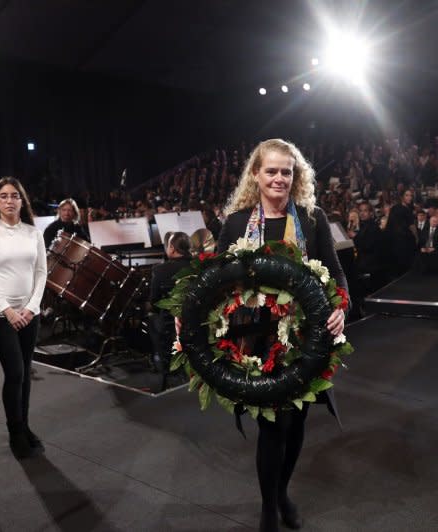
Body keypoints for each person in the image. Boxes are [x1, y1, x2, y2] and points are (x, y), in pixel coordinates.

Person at [217, 138, 348, 532]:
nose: (279, 178)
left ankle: (281, 493)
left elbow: (337, 273)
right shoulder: (238, 223)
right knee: (272, 426)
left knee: (297, 423)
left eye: (286, 172)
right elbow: (215, 279)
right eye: (271, 170)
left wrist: (341, 305)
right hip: (255, 342)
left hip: (306, 340)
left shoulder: (311, 218)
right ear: (255, 175)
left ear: (296, 176)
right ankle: (268, 509)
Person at [0, 177, 47, 459]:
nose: (9, 200)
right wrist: (7, 310)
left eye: (14, 195)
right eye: (3, 196)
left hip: (30, 313)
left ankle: (25, 425)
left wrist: (31, 307)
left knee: (25, 373)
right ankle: (15, 432)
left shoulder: (34, 233)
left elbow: (42, 272)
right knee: (15, 372)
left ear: (22, 200)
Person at [148, 231, 192, 385]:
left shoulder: (160, 270)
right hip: (196, 322)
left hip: (171, 325)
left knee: (151, 318)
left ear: (172, 248)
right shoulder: (198, 265)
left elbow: (154, 302)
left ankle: (164, 361)